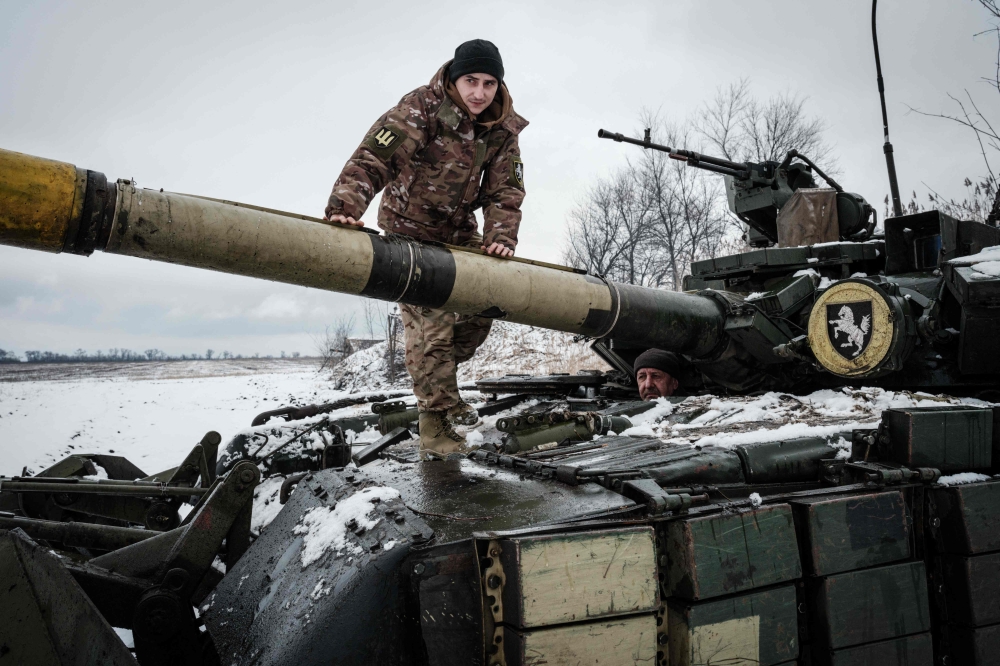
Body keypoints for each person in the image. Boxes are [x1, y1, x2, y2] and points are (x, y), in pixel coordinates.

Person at [324, 39, 528, 460]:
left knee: (488, 304)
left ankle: (430, 375)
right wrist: (346, 208)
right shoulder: (421, 107)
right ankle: (441, 428)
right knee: (431, 324)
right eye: (471, 81)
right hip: (409, 234)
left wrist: (501, 237)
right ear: (455, 77)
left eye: (489, 83)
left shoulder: (502, 128)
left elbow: (506, 189)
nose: (479, 93)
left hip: (457, 231)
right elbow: (374, 157)